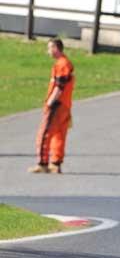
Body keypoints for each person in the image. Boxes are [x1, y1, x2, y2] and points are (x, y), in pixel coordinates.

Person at [28, 38, 74, 174]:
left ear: (56, 48)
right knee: (59, 134)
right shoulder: (65, 63)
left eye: (49, 48)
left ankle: (42, 163)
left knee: (44, 134)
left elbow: (60, 86)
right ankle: (55, 163)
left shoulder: (62, 64)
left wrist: (50, 103)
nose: (48, 51)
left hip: (57, 104)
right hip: (65, 104)